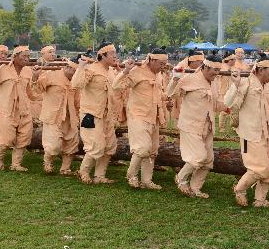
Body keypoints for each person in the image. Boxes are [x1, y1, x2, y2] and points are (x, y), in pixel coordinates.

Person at [224, 54, 269, 208]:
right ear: (260, 69)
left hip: (267, 133)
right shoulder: (245, 82)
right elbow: (228, 102)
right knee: (259, 168)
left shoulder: (266, 85)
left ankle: (260, 200)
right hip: (251, 134)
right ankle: (239, 189)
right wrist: (235, 85)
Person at [166, 55, 224, 197]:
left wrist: (228, 106)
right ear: (205, 67)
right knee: (198, 157)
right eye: (214, 70)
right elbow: (171, 94)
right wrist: (175, 78)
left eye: (218, 70)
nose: (216, 73)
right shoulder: (190, 79)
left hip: (208, 126)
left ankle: (195, 188)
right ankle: (181, 178)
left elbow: (215, 104)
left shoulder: (214, 82)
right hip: (191, 125)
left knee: (208, 161)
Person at [114, 52, 170, 190]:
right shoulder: (137, 71)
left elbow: (157, 93)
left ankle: (146, 180)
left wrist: (166, 98)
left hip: (154, 116)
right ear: (151, 59)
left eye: (164, 64)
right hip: (138, 115)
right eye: (160, 64)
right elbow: (117, 86)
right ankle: (131, 175)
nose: (162, 67)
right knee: (142, 148)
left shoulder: (158, 75)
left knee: (152, 150)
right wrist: (126, 70)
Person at [72, 43, 121, 184]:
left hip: (107, 115)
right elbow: (76, 84)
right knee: (96, 146)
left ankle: (99, 176)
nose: (115, 56)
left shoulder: (111, 72)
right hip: (92, 114)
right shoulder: (91, 69)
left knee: (109, 146)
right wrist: (81, 67)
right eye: (112, 53)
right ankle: (83, 172)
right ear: (102, 55)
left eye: (115, 52)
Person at [0, 46, 36, 172]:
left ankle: (16, 164)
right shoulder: (1, 69)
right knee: (5, 137)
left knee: (24, 137)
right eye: (24, 56)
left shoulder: (28, 71)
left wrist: (39, 92)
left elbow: (30, 92)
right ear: (15, 56)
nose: (26, 59)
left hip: (24, 110)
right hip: (6, 109)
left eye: (28, 56)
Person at [32, 54, 79, 175]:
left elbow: (78, 101)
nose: (74, 73)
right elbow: (37, 90)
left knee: (71, 144)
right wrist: (35, 77)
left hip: (70, 118)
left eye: (77, 71)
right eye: (74, 70)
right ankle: (47, 162)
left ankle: (65, 169)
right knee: (53, 146)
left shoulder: (77, 81)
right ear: (67, 67)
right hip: (53, 116)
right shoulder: (51, 75)